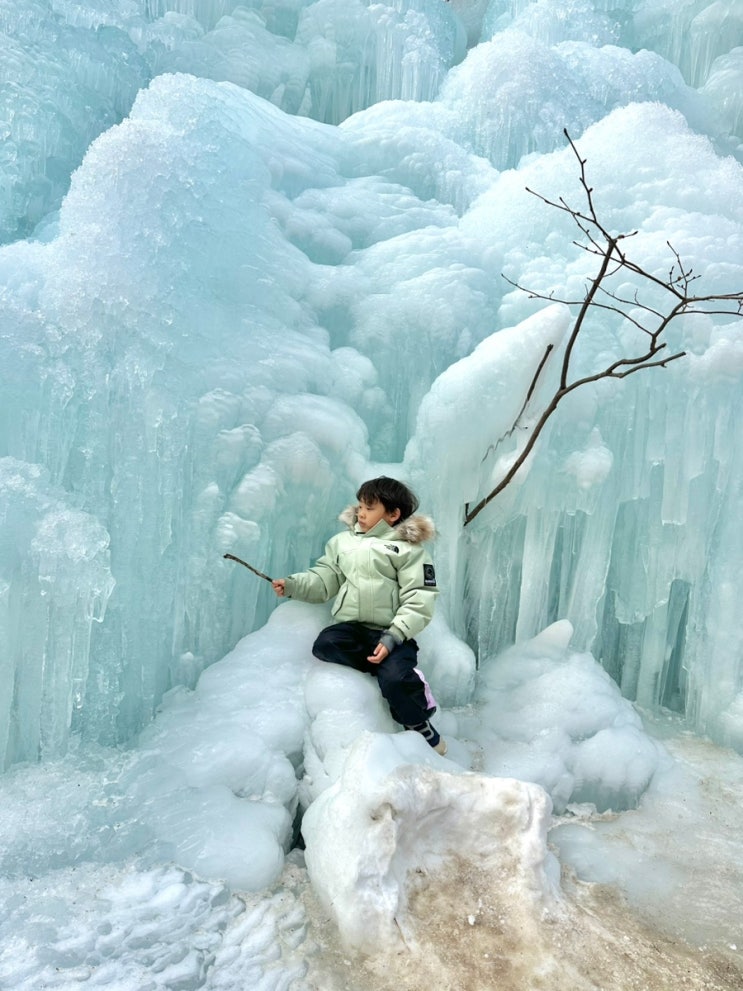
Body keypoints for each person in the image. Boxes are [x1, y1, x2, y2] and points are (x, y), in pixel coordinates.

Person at [272, 476, 446, 755]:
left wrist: (394, 635)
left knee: (397, 680)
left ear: (393, 514)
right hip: (352, 630)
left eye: (370, 508)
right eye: (361, 506)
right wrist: (293, 585)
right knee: (326, 644)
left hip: (392, 633)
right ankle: (380, 666)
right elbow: (325, 580)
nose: (361, 513)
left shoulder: (408, 549)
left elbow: (419, 597)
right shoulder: (342, 543)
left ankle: (419, 721)